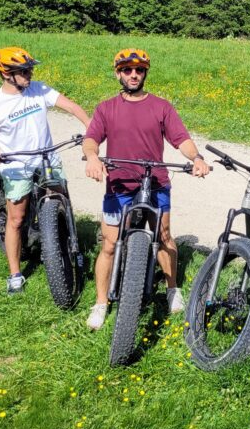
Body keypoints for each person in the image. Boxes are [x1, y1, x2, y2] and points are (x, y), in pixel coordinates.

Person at [82, 49, 210, 331]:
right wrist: (92, 157)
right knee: (109, 245)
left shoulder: (161, 107)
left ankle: (172, 288)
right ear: (118, 73)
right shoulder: (106, 108)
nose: (133, 75)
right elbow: (91, 139)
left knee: (164, 236)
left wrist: (197, 158)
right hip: (120, 184)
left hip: (156, 182)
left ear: (145, 74)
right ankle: (101, 302)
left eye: (139, 70)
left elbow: (181, 139)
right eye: (127, 70)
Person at [0, 47, 91, 294]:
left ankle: (71, 246)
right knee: (16, 219)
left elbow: (72, 107)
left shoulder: (39, 89)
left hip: (47, 158)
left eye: (30, 69)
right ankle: (15, 274)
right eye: (23, 71)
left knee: (62, 201)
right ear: (5, 74)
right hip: (16, 165)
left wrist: (91, 128)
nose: (30, 74)